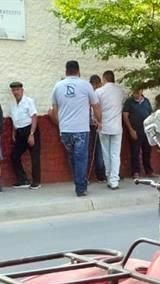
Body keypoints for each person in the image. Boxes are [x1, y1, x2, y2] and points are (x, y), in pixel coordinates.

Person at [50, 60, 100, 197]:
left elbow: (54, 109)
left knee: (72, 157)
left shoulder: (58, 86)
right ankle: (80, 187)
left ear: (66, 71)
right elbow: (96, 105)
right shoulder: (85, 85)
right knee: (81, 158)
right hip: (81, 129)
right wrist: (100, 120)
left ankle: (78, 181)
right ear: (78, 71)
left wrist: (60, 124)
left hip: (65, 130)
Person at [96, 70, 127, 190]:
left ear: (104, 79)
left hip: (103, 126)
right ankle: (114, 180)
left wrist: (96, 121)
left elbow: (95, 109)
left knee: (106, 153)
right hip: (117, 126)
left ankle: (109, 177)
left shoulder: (99, 92)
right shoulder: (120, 92)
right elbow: (123, 104)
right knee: (115, 154)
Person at [8, 81, 40, 190]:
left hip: (30, 129)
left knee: (34, 156)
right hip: (19, 132)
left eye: (17, 90)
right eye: (13, 90)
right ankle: (23, 180)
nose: (15, 92)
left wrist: (31, 134)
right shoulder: (12, 104)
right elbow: (14, 120)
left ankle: (36, 181)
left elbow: (34, 117)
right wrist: (13, 133)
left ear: (22, 90)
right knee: (14, 155)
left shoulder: (28, 101)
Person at [122, 88, 154, 179]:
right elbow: (125, 116)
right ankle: (135, 172)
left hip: (146, 131)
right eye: (135, 92)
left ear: (142, 91)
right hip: (135, 130)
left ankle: (148, 171)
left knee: (147, 151)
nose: (136, 93)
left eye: (138, 91)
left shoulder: (146, 101)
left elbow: (151, 115)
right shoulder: (129, 102)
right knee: (135, 152)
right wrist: (131, 130)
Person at [88, 74, 107, 182]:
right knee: (99, 150)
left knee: (98, 150)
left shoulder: (90, 93)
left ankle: (100, 173)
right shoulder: (94, 94)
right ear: (97, 84)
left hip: (91, 125)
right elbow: (93, 110)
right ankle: (100, 174)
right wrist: (97, 121)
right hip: (95, 125)